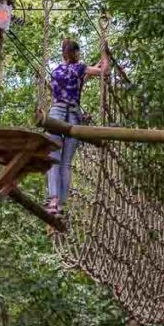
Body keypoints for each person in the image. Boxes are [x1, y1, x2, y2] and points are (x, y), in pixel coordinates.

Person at [45, 38, 109, 215]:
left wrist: (89, 70)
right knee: (65, 163)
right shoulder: (80, 68)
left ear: (63, 54)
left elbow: (75, 82)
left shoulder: (56, 71)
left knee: (53, 160)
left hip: (56, 115)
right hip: (73, 115)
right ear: (75, 53)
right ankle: (60, 204)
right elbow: (104, 71)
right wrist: (104, 54)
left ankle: (53, 200)